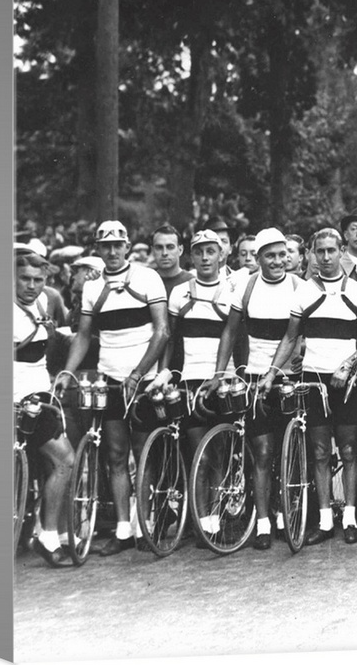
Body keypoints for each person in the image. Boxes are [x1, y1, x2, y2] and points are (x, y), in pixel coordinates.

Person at [259, 228, 357, 545]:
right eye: (319, 251)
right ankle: (326, 522)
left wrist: (348, 364)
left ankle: (350, 518)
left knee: (350, 450)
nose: (325, 257)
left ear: (341, 251)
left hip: (347, 380)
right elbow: (291, 336)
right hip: (312, 381)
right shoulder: (303, 292)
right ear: (311, 253)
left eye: (331, 250)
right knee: (320, 451)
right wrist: (272, 371)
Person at [58, 220, 170, 556]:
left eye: (117, 245)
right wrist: (67, 370)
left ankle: (145, 525)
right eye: (105, 246)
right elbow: (84, 335)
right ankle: (123, 530)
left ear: (127, 245)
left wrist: (139, 373)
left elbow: (162, 331)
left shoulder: (147, 277)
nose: (111, 251)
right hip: (109, 379)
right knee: (115, 455)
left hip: (143, 380)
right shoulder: (93, 288)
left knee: (144, 453)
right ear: (98, 248)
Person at [202, 228, 305, 549]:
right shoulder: (245, 287)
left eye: (282, 255)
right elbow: (230, 333)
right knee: (262, 452)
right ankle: (262, 523)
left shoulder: (299, 287)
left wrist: (296, 359)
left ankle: (284, 512)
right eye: (270, 256)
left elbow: (299, 334)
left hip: (288, 380)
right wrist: (221, 373)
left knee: (291, 452)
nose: (278, 261)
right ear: (258, 258)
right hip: (255, 381)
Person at [152, 230, 236, 545]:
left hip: (222, 381)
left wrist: (230, 374)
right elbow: (172, 340)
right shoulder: (179, 294)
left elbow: (235, 338)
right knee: (197, 453)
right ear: (192, 256)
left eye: (211, 251)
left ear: (220, 255)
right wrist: (165, 373)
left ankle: (217, 517)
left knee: (219, 453)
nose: (204, 258)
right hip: (190, 382)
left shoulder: (232, 291)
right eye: (199, 252)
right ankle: (202, 519)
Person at [14, 252, 76, 567]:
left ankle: (44, 530)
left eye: (39, 280)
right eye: (25, 278)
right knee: (65, 460)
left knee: (52, 464)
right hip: (18, 402)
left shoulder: (41, 303)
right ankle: (47, 535)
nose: (32, 285)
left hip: (38, 397)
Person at [151, 224, 193, 297]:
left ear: (180, 250)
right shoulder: (146, 282)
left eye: (170, 247)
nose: (164, 253)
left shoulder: (191, 282)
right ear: (153, 251)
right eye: (159, 247)